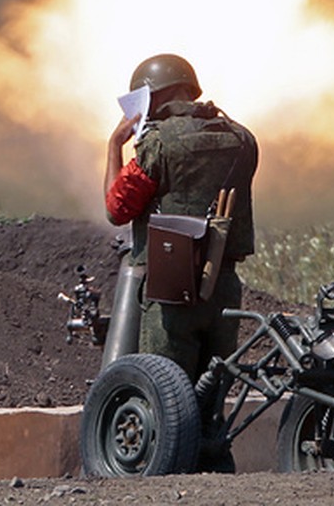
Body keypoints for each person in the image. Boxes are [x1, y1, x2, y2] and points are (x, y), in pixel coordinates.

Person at [103, 53, 258, 383]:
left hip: (172, 288)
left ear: (152, 96)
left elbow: (117, 209)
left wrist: (115, 145)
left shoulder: (158, 143)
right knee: (211, 395)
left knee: (164, 394)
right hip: (224, 286)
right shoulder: (243, 139)